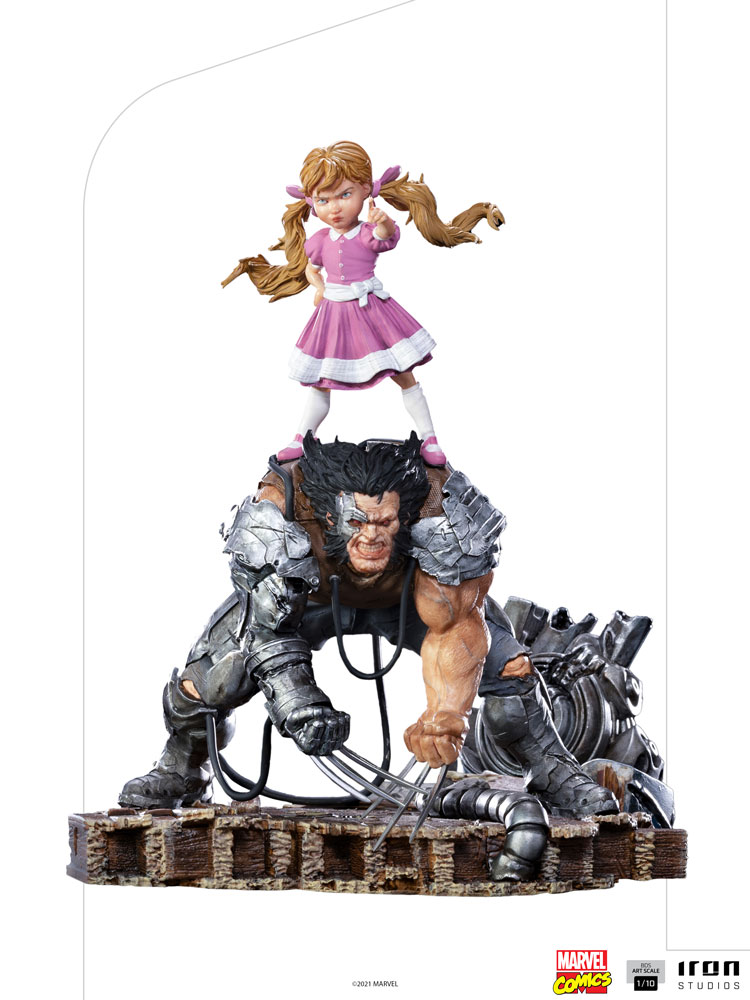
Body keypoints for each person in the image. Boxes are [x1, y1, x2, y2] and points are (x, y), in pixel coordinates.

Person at [119, 435, 617, 818]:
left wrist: (446, 715)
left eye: (385, 523)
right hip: (309, 598)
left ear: (406, 515)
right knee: (210, 678)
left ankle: (553, 771)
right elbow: (267, 622)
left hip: (409, 601)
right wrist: (299, 701)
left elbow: (457, 625)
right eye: (357, 523)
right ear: (327, 515)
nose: (372, 538)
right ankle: (183, 765)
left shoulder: (441, 511)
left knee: (509, 669)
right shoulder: (284, 506)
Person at [222, 141, 504, 465]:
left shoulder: (367, 232)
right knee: (321, 381)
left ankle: (430, 437)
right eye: (323, 200)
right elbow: (311, 269)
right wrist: (319, 287)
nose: (335, 208)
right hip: (333, 315)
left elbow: (386, 237)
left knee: (403, 372)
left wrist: (382, 221)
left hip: (371, 312)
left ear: (366, 190)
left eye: (345, 195)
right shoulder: (318, 241)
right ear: (311, 202)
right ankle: (301, 437)